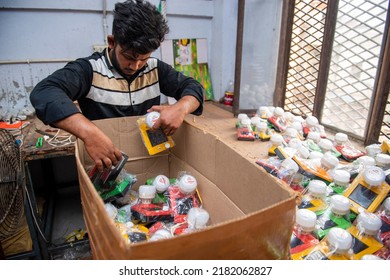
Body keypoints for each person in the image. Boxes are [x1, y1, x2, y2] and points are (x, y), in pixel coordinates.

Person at [30, 0, 205, 172]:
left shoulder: (155, 68)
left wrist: (180, 108)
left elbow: (194, 87)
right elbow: (44, 92)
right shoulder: (90, 70)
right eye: (129, 57)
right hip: (106, 165)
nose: (135, 66)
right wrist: (89, 133)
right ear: (112, 42)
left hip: (150, 162)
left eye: (143, 59)